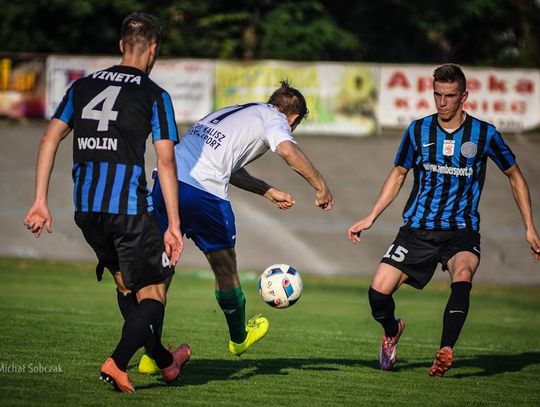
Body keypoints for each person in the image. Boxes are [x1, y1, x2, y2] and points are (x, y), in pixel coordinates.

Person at [23, 12, 191, 393]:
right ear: (153, 50)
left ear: (120, 46)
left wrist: (40, 201)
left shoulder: (82, 87)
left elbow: (48, 139)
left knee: (126, 288)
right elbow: (165, 161)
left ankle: (167, 363)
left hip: (87, 210)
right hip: (128, 209)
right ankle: (116, 363)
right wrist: (174, 224)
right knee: (155, 291)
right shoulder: (154, 95)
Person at [347, 63, 540, 378]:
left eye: (449, 96)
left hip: (461, 232)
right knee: (377, 294)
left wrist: (530, 227)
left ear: (464, 96)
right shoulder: (418, 130)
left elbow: (515, 176)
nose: (442, 102)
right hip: (417, 231)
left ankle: (446, 349)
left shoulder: (485, 134)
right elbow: (398, 173)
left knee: (462, 274)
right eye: (437, 95)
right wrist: (371, 216)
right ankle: (392, 329)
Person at [140, 80, 334, 372]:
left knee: (160, 270)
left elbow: (227, 163)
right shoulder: (276, 119)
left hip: (167, 183)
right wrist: (320, 185)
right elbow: (288, 151)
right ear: (293, 118)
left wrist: (266, 190)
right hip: (203, 196)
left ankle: (152, 356)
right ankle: (239, 338)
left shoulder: (236, 112)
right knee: (226, 269)